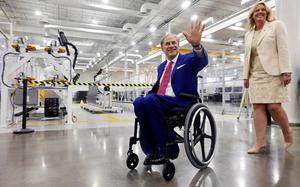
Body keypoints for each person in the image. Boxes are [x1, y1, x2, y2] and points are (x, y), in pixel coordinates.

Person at [133, 18, 208, 165]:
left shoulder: (188, 60)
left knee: (150, 100)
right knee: (139, 102)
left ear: (178, 45)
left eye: (174, 43)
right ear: (162, 48)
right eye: (167, 43)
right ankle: (150, 150)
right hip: (161, 101)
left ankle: (165, 148)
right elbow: (159, 85)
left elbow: (202, 61)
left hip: (182, 101)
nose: (171, 45)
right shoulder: (161, 66)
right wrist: (150, 93)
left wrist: (197, 45)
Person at [243, 1, 293, 154]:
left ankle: (287, 133)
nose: (260, 12)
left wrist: (286, 71)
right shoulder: (249, 34)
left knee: (274, 107)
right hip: (255, 74)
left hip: (273, 72)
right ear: (252, 14)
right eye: (256, 10)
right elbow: (247, 57)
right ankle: (259, 142)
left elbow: (283, 48)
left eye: (263, 10)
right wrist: (245, 76)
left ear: (267, 13)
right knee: (257, 108)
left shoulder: (276, 26)